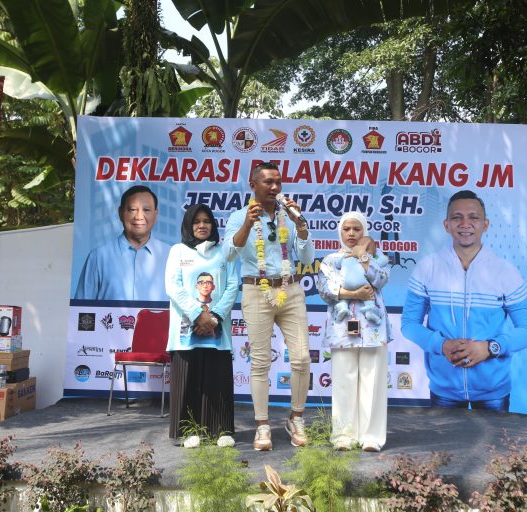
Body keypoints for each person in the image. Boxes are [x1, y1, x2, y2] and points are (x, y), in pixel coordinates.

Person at [401, 190, 527, 412]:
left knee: (491, 447)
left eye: (473, 217)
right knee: (446, 448)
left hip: (494, 392)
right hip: (444, 391)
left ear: (485, 224)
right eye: (457, 217)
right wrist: (441, 345)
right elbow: (409, 325)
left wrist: (489, 348)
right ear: (447, 225)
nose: (465, 224)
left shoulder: (505, 272)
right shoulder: (428, 268)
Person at [223, 161, 314, 451]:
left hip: (290, 289)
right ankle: (262, 425)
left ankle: (296, 418)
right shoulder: (239, 216)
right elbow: (227, 255)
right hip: (256, 290)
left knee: (301, 358)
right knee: (260, 361)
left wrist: (301, 226)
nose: (275, 187)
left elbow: (308, 257)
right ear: (253, 185)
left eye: (278, 182)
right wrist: (249, 224)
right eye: (268, 182)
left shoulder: (289, 215)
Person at [165, 204, 239, 447]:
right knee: (189, 379)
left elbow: (231, 286)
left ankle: (222, 431)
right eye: (196, 221)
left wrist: (214, 317)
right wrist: (198, 315)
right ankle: (188, 431)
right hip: (186, 329)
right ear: (189, 225)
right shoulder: (178, 251)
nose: (202, 225)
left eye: (207, 221)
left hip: (217, 328)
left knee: (217, 378)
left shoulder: (224, 251)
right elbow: (173, 287)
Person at [317, 212, 391, 452]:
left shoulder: (378, 257)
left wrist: (364, 258)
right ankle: (343, 435)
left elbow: (380, 281)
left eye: (356, 229)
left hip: (373, 328)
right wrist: (354, 295)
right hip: (342, 327)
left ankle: (371, 436)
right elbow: (326, 289)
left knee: (373, 381)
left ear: (365, 232)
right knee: (343, 382)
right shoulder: (331, 259)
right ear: (340, 231)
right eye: (347, 229)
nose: (351, 234)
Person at [74, 185, 169, 300]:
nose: (139, 217)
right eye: (133, 210)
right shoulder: (98, 257)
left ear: (155, 214)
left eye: (146, 210)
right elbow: (81, 311)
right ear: (121, 213)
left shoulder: (171, 256)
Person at [333, 236, 388, 325]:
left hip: (346, 285)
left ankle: (342, 306)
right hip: (363, 285)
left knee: (345, 298)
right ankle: (370, 310)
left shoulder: (346, 255)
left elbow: (337, 263)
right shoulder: (369, 259)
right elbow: (381, 262)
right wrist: (385, 259)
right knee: (369, 295)